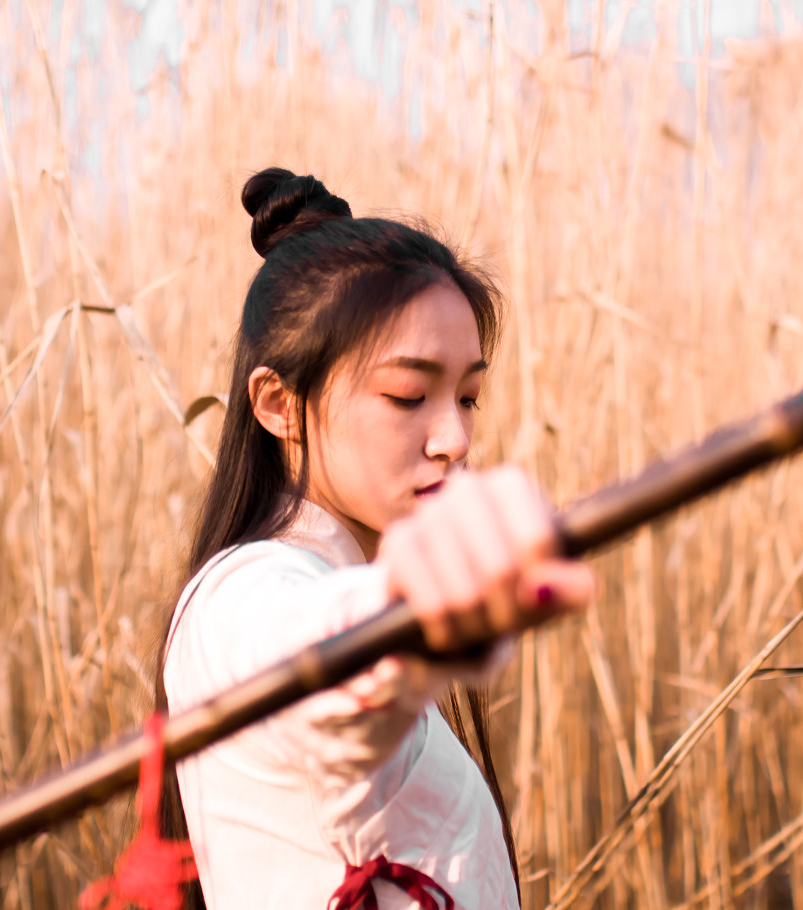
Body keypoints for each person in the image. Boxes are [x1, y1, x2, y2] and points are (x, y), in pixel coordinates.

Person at [156, 168, 595, 909]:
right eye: (407, 395)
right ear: (279, 403)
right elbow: (318, 667)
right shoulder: (241, 600)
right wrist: (409, 603)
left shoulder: (333, 581)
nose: (455, 439)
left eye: (467, 397)